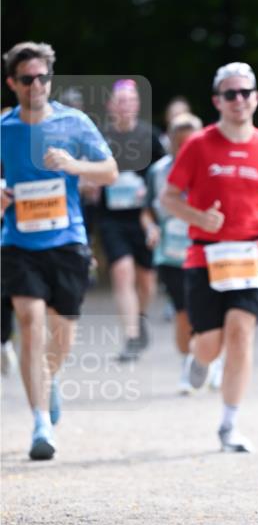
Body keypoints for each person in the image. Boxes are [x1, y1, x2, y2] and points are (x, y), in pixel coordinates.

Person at [1, 41, 118, 459]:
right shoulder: (4, 127)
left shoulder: (74, 122)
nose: (36, 85)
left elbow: (109, 171)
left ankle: (47, 380)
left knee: (62, 336)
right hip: (18, 243)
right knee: (29, 322)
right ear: (12, 83)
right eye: (27, 79)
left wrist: (74, 164)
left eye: (43, 78)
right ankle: (40, 424)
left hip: (67, 241)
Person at [162, 61, 258, 452]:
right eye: (230, 93)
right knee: (210, 344)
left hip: (251, 253)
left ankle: (229, 425)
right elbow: (168, 198)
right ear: (217, 100)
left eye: (245, 92)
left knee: (241, 331)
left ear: (256, 98)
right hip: (206, 256)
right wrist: (200, 218)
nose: (238, 99)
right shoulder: (198, 144)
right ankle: (199, 360)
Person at [98, 79, 165, 361]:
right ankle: (131, 336)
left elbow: (166, 175)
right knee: (122, 271)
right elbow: (89, 173)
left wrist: (149, 191)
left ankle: (140, 316)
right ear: (110, 106)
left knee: (146, 281)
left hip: (144, 217)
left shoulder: (151, 137)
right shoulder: (100, 138)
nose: (125, 106)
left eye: (130, 100)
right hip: (111, 218)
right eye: (120, 101)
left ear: (137, 105)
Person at [140, 112, 203, 394]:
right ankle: (188, 363)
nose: (185, 149)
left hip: (207, 251)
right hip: (171, 254)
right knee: (183, 313)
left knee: (210, 312)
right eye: (179, 143)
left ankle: (212, 359)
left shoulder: (212, 169)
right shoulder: (158, 172)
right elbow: (146, 211)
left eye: (191, 143)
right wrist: (151, 228)